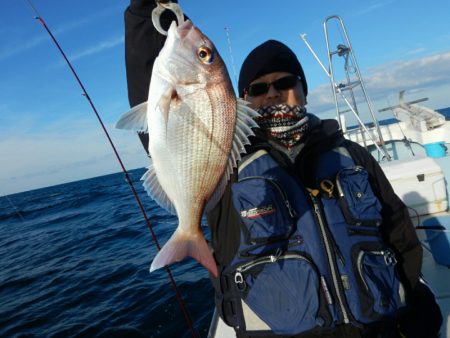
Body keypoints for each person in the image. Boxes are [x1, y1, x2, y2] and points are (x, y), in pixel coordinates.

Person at [124, 1, 442, 337]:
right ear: (240, 101)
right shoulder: (227, 164)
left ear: (303, 89)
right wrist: (147, 11)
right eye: (258, 88)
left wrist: (413, 300)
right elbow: (164, 118)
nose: (273, 93)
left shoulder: (354, 156)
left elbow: (399, 233)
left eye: (285, 82)